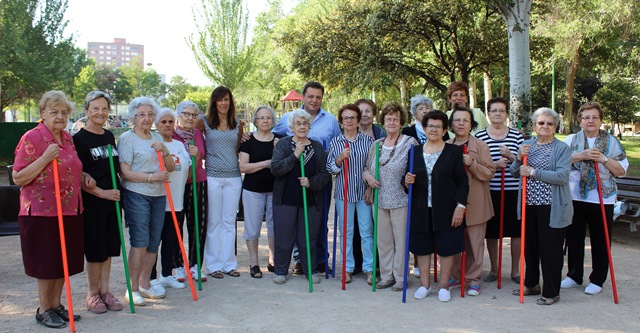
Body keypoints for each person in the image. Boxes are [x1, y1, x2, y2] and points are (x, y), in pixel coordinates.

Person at [13, 91, 87, 328]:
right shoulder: (32, 138)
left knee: (62, 261)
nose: (60, 116)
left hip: (70, 209)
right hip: (42, 211)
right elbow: (18, 177)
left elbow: (71, 167)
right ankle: (44, 308)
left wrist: (84, 176)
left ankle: (56, 305)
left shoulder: (67, 138)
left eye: (64, 112)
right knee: (47, 263)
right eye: (54, 112)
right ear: (42, 112)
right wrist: (45, 158)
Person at [273, 81, 340, 274]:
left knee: (315, 227)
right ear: (303, 97)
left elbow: (334, 147)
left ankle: (317, 262)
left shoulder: (330, 121)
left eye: (318, 97)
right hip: (288, 189)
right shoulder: (287, 122)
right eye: (310, 96)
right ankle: (295, 263)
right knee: (288, 229)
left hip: (316, 185)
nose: (314, 100)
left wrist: (314, 180)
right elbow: (270, 136)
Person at [561, 101, 628, 295]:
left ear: (600, 121)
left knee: (600, 240)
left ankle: (598, 279)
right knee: (574, 238)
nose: (590, 121)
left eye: (594, 117)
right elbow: (559, 160)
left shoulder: (612, 142)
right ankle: (574, 275)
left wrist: (604, 159)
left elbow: (621, 171)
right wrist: (580, 155)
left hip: (602, 198)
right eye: (586, 117)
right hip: (575, 196)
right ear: (580, 120)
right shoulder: (571, 139)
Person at [404, 110, 469, 302]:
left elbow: (462, 182)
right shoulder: (414, 152)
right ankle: (425, 285)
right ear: (424, 128)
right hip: (420, 209)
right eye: (430, 125)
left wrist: (460, 206)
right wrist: (406, 181)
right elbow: (406, 182)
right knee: (422, 247)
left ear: (444, 130)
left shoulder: (453, 152)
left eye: (438, 126)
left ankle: (443, 285)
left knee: (446, 247)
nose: (433, 129)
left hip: (447, 208)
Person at [510, 107, 572, 306]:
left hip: (552, 207)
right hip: (529, 205)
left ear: (555, 127)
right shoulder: (527, 145)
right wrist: (518, 157)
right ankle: (531, 283)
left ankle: (552, 291)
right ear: (535, 125)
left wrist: (534, 172)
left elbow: (562, 177)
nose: (545, 126)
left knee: (551, 250)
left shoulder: (561, 148)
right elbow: (514, 172)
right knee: (531, 248)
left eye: (549, 123)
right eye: (541, 123)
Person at [118, 97, 175, 306]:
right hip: (136, 194)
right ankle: (131, 288)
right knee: (140, 241)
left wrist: (165, 150)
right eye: (141, 115)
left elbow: (169, 167)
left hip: (158, 195)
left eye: (150, 115)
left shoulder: (158, 137)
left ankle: (145, 284)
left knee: (153, 241)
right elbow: (125, 172)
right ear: (133, 117)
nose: (146, 118)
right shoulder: (127, 138)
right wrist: (151, 177)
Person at [73, 91, 123, 314]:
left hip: (113, 202)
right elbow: (79, 176)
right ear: (86, 112)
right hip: (94, 203)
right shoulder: (78, 140)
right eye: (95, 108)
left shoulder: (108, 136)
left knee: (109, 249)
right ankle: (92, 294)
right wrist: (103, 193)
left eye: (104, 109)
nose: (100, 113)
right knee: (95, 251)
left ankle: (105, 291)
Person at [270, 109, 331, 285]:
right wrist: (295, 155)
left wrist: (310, 182)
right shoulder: (283, 144)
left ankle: (309, 270)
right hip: (285, 200)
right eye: (298, 123)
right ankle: (281, 271)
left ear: (309, 126)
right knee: (284, 237)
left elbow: (324, 175)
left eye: (305, 123)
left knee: (308, 238)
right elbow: (276, 169)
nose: (302, 126)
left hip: (310, 201)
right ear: (292, 127)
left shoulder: (317, 147)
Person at [362, 102, 418, 291]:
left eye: (395, 119)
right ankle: (386, 276)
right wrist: (368, 177)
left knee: (401, 241)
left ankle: (401, 278)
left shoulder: (410, 143)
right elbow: (366, 168)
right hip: (379, 199)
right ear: (383, 122)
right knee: (383, 241)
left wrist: (411, 178)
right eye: (388, 119)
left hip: (401, 199)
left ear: (401, 122)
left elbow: (418, 168)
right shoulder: (376, 145)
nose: (392, 122)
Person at [447, 106, 495, 296]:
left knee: (475, 243)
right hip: (452, 202)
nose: (461, 124)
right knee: (453, 241)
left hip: (476, 202)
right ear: (451, 124)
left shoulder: (480, 146)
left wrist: (472, 164)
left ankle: (473, 278)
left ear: (471, 124)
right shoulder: (447, 145)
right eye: (457, 120)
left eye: (465, 120)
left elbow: (490, 172)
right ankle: (455, 276)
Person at [195, 86, 243, 279]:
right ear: (214, 102)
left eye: (226, 99)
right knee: (214, 222)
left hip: (234, 178)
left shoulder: (238, 124)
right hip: (212, 176)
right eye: (219, 100)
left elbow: (239, 148)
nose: (223, 103)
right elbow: (195, 141)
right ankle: (213, 265)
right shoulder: (204, 122)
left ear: (230, 102)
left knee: (229, 222)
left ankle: (229, 264)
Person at [475, 97, 523, 284]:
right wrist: (494, 164)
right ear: (488, 113)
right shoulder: (480, 136)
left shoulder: (515, 135)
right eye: (493, 110)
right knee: (492, 232)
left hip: (512, 190)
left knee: (516, 232)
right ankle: (494, 269)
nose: (497, 113)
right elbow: (477, 163)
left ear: (506, 114)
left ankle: (515, 270)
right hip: (490, 189)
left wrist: (511, 157)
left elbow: (521, 162)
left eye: (501, 111)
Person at [326, 104, 375, 284]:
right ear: (341, 121)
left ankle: (369, 268)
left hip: (363, 193)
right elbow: (330, 168)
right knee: (346, 232)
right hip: (343, 192)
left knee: (366, 231)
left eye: (352, 118)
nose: (349, 121)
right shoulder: (336, 142)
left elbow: (371, 167)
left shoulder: (368, 141)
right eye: (345, 118)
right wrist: (339, 159)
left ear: (358, 120)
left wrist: (370, 187)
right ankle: (347, 268)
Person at [150, 108, 192, 290]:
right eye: (162, 122)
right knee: (154, 240)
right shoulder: (152, 143)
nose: (167, 125)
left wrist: (194, 157)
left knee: (171, 239)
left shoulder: (179, 144)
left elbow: (187, 171)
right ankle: (150, 277)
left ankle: (167, 273)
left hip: (177, 200)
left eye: (169, 122)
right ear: (157, 125)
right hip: (158, 199)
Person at [239, 106, 278, 278]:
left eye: (268, 118)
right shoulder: (248, 141)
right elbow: (244, 167)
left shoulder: (279, 140)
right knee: (252, 227)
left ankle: (273, 261)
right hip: (253, 191)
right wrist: (267, 163)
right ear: (255, 121)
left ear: (273, 121)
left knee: (274, 227)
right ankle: (254, 263)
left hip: (275, 190)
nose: (265, 121)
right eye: (261, 118)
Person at [173, 101, 208, 282]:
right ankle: (178, 265)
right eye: (186, 114)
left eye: (194, 115)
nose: (190, 118)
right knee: (176, 223)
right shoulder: (171, 133)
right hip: (177, 183)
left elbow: (204, 154)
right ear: (178, 114)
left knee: (198, 223)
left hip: (198, 181)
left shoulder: (198, 134)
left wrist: (196, 155)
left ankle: (195, 265)